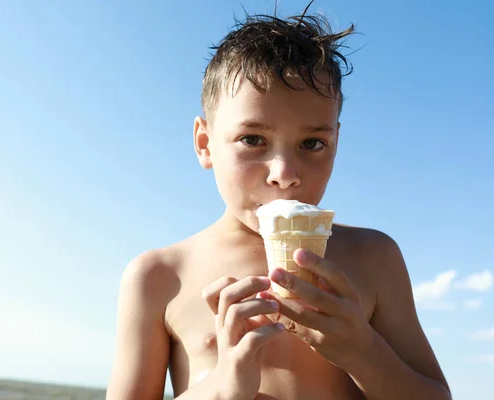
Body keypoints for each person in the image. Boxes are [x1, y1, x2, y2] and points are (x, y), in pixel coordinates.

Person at [106, 6, 451, 400]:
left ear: (335, 144)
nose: (284, 172)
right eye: (253, 140)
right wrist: (221, 389)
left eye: (312, 143)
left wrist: (363, 351)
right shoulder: (159, 276)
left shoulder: (374, 258)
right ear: (205, 144)